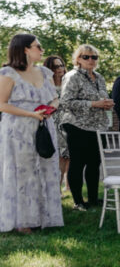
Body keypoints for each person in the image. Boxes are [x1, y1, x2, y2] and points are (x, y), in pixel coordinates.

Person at [0, 34, 63, 233]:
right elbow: (2, 104)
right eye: (38, 46)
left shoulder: (45, 72)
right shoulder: (8, 73)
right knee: (23, 173)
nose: (42, 50)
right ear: (25, 49)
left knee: (46, 170)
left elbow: (55, 98)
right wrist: (31, 113)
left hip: (44, 126)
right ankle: (23, 221)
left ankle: (45, 217)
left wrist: (50, 109)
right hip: (19, 129)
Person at [60, 44, 114, 211]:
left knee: (94, 163)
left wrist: (107, 104)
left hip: (97, 127)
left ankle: (93, 198)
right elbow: (65, 102)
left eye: (94, 57)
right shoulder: (72, 76)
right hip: (77, 125)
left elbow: (103, 96)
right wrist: (93, 104)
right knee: (77, 163)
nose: (91, 60)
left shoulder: (99, 77)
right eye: (86, 57)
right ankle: (78, 201)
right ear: (78, 59)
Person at [42, 55, 70, 183]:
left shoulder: (69, 83)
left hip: (69, 122)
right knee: (58, 155)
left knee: (68, 155)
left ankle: (68, 184)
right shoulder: (46, 85)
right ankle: (56, 186)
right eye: (56, 66)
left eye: (61, 65)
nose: (60, 68)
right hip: (53, 122)